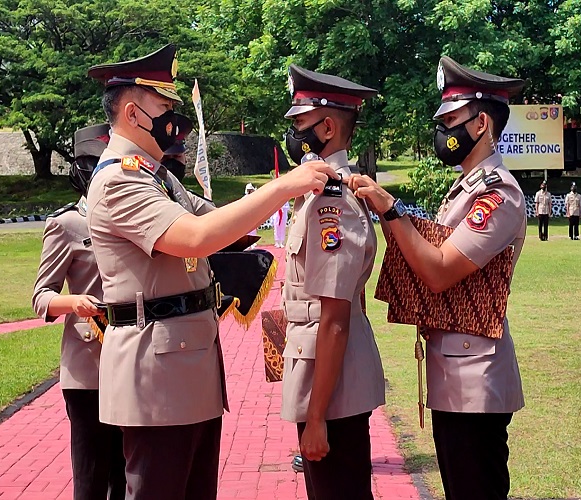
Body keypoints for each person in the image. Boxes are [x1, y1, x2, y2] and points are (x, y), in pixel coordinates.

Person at [84, 44, 336, 500]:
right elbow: (196, 237)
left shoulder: (156, 174)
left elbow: (220, 223)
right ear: (134, 112)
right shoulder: (119, 178)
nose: (171, 119)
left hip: (185, 363)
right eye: (164, 106)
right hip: (155, 374)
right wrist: (284, 187)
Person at [348, 55, 526, 500]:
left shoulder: (498, 194)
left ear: (482, 123)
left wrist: (390, 210)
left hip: (475, 380)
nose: (443, 132)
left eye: (451, 120)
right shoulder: (466, 187)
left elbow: (441, 269)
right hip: (456, 371)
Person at [281, 64, 385, 500]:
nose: (293, 134)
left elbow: (336, 317)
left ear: (327, 127)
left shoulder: (332, 202)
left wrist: (317, 414)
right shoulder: (319, 191)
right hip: (325, 370)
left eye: (300, 124)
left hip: (331, 382)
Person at [32, 123, 126, 500]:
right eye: (95, 163)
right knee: (91, 474)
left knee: (127, 474)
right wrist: (74, 303)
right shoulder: (67, 223)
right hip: (88, 369)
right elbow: (41, 296)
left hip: (130, 363)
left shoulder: (131, 216)